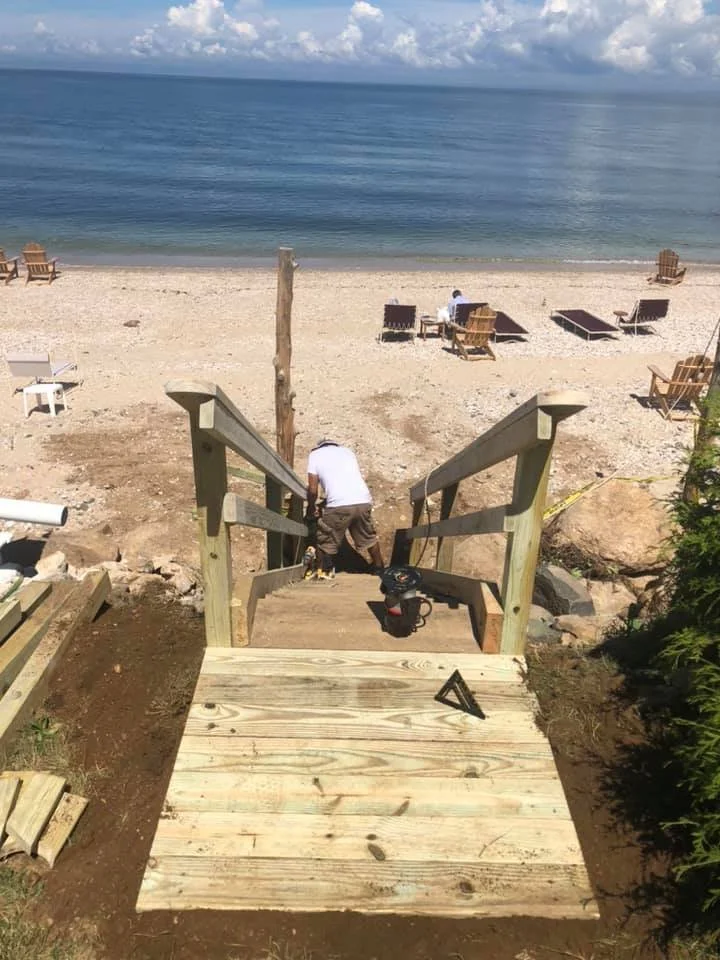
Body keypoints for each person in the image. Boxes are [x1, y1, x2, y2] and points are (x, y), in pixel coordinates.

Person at [306, 439, 384, 579]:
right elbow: (345, 483)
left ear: (319, 447)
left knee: (326, 537)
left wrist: (311, 507)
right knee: (368, 537)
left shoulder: (315, 455)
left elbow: (312, 490)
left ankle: (324, 570)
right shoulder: (348, 452)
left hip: (338, 505)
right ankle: (379, 568)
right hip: (363, 500)